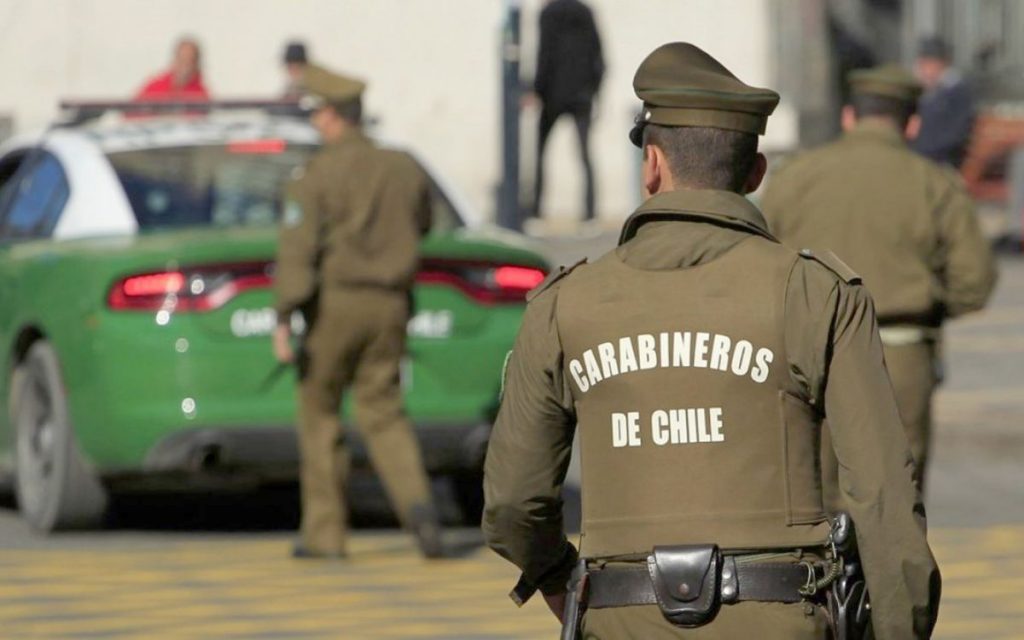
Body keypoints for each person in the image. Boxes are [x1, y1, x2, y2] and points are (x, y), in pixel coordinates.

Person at [483, 43, 940, 639]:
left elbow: (513, 502)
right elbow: (882, 494)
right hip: (784, 618)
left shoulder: (564, 304)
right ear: (754, 173)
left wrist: (559, 579)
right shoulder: (814, 292)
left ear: (652, 164)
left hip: (625, 619)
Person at [762, 64, 997, 493]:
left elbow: (759, 260)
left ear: (849, 117)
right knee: (895, 498)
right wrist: (928, 304)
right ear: (912, 123)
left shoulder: (794, 177)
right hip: (901, 354)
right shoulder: (934, 183)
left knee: (815, 498)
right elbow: (973, 281)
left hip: (811, 354)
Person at [272, 63, 443, 559]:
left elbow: (298, 254)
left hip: (336, 305)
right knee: (384, 411)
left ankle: (325, 536)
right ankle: (420, 512)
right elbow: (426, 222)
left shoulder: (315, 175)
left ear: (329, 117)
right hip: (391, 305)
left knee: (321, 413)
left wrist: (284, 315)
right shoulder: (403, 165)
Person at [530, 0, 604, 222]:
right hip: (582, 95)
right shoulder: (586, 12)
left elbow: (544, 54)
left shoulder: (548, 13)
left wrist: (536, 90)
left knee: (540, 153)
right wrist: (594, 91)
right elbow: (599, 57)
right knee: (585, 154)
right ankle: (590, 212)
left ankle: (536, 210)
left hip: (553, 94)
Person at [912, 36, 975, 168]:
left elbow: (955, 134)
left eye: (927, 64)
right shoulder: (926, 92)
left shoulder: (956, 92)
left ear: (941, 63)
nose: (922, 70)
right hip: (923, 157)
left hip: (943, 161)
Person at [135, 37, 210, 101]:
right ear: (175, 60)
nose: (185, 67)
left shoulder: (201, 96)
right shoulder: (155, 87)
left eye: (189, 61)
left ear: (196, 64)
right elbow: (132, 111)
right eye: (182, 60)